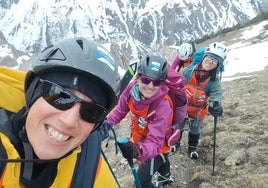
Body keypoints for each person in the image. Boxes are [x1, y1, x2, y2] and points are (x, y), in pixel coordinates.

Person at [0, 37, 121, 187]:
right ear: (33, 93)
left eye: (92, 112)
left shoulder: (88, 170)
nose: (69, 121)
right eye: (60, 95)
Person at [103, 54, 175, 188]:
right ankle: (166, 176)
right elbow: (120, 111)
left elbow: (155, 142)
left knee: (141, 181)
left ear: (162, 83)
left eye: (157, 82)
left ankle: (164, 171)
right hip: (138, 139)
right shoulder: (130, 90)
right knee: (162, 163)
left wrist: (138, 151)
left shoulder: (163, 105)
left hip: (157, 147)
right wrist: (106, 125)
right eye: (146, 80)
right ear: (138, 78)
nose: (150, 86)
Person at [178, 42, 227, 159]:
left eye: (215, 60)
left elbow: (216, 93)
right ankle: (175, 143)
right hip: (182, 106)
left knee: (195, 130)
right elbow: (176, 81)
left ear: (218, 65)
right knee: (177, 126)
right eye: (209, 57)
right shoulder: (188, 71)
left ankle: (192, 148)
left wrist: (215, 104)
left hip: (198, 109)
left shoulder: (214, 81)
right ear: (204, 56)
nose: (210, 61)